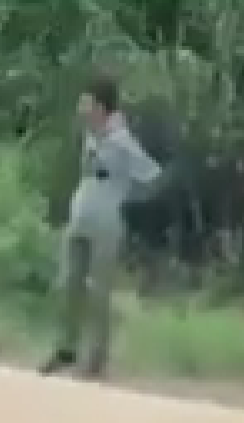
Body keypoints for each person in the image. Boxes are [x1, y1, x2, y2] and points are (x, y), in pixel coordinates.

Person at [42, 73, 161, 379]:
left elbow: (150, 174)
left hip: (107, 218)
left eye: (87, 101)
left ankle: (95, 360)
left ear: (100, 106)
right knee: (69, 282)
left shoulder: (121, 140)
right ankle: (65, 348)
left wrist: (125, 198)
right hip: (81, 213)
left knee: (98, 290)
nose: (81, 107)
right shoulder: (90, 134)